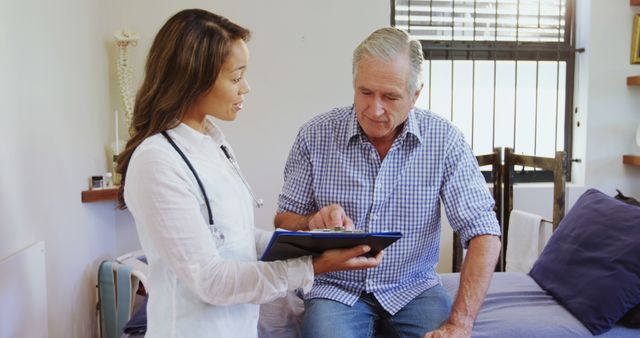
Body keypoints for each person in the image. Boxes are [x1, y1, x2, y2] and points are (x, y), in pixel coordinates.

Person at [116, 9, 382, 337]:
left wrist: (316, 243)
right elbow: (210, 280)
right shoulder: (156, 161)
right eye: (236, 76)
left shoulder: (214, 145)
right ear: (194, 78)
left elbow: (238, 240)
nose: (247, 88)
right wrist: (311, 267)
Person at [274, 27, 502, 338]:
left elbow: (484, 232)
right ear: (354, 84)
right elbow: (284, 220)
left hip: (414, 287)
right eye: (365, 92)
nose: (374, 109)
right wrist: (312, 221)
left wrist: (460, 324)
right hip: (336, 288)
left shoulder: (445, 140)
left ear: (415, 94)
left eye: (390, 96)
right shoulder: (315, 136)